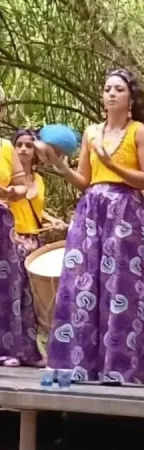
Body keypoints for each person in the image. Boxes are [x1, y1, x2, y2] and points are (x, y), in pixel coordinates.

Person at [42, 68, 144, 385]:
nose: (110, 94)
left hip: (127, 211)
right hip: (92, 210)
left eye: (118, 89)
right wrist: (59, 165)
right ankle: (79, 364)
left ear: (130, 97)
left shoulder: (140, 132)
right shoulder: (92, 132)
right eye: (107, 88)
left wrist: (112, 165)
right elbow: (84, 180)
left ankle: (121, 368)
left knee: (121, 285)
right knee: (83, 285)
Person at [3, 130, 68, 367]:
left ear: (35, 152)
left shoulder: (39, 180)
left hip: (33, 241)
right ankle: (11, 349)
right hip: (12, 239)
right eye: (18, 145)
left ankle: (29, 352)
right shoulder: (7, 176)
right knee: (12, 297)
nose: (22, 150)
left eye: (28, 146)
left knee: (31, 300)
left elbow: (36, 210)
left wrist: (52, 221)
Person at [0, 134, 31, 367]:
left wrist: (12, 192)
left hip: (1, 221)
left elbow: (23, 187)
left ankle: (6, 348)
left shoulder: (5, 146)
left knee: (5, 285)